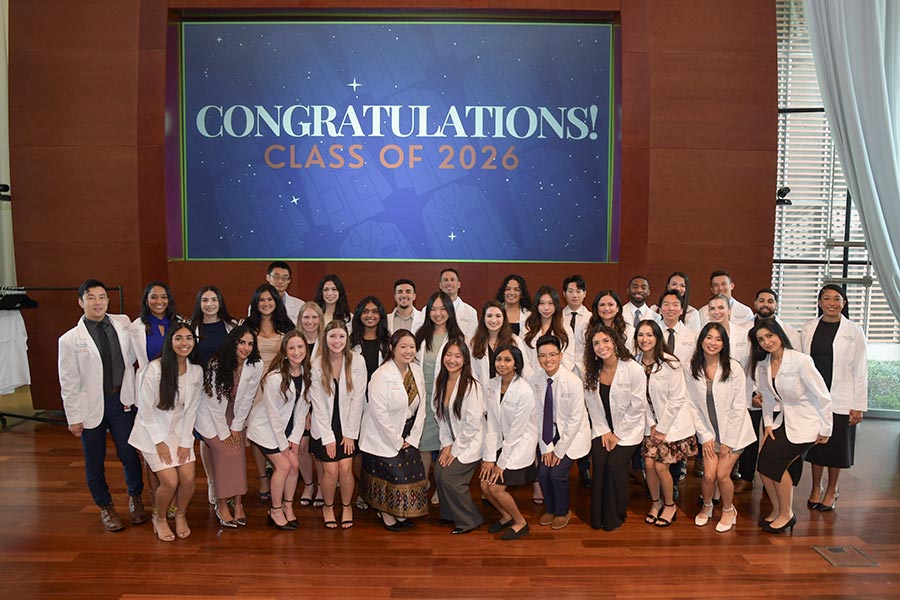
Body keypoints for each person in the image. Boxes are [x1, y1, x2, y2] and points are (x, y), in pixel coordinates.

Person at [58, 279, 146, 531]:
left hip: (121, 401)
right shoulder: (69, 340)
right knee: (94, 460)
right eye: (91, 298)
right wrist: (73, 417)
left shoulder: (123, 323)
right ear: (81, 302)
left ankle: (135, 498)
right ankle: (105, 507)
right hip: (90, 407)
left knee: (129, 454)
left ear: (108, 300)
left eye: (102, 297)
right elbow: (68, 382)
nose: (98, 302)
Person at [752, 318, 832, 533]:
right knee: (763, 467)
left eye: (770, 336)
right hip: (782, 421)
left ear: (779, 334)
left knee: (775, 465)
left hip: (807, 422)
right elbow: (768, 397)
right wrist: (768, 424)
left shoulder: (800, 361)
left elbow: (823, 396)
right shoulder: (764, 364)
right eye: (761, 339)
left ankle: (787, 514)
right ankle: (777, 509)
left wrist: (826, 429)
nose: (767, 342)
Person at [128, 323, 203, 541]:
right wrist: (159, 442)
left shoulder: (196, 371)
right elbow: (145, 410)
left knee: (188, 479)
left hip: (179, 431)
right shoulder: (155, 368)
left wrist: (186, 442)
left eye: (189, 338)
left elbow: (191, 411)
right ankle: (159, 518)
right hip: (152, 432)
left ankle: (180, 514)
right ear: (170, 341)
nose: (184, 343)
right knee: (170, 481)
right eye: (178, 338)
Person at [801, 285, 867, 513]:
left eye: (837, 299)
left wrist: (858, 405)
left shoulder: (854, 331)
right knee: (817, 447)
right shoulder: (809, 328)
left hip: (842, 398)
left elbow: (861, 369)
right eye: (826, 298)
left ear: (844, 303)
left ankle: (832, 490)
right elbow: (802, 364)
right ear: (819, 302)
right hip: (815, 398)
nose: (831, 302)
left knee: (837, 448)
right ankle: (815, 488)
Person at [686, 323, 757, 533]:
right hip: (709, 433)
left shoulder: (733, 368)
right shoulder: (693, 367)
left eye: (718, 339)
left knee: (722, 475)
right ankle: (707, 506)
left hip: (734, 435)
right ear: (701, 340)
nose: (713, 343)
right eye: (709, 338)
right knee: (708, 475)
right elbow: (691, 404)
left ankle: (728, 509)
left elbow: (738, 407)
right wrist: (705, 436)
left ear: (724, 344)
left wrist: (729, 441)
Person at [358, 329, 429, 531]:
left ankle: (397, 513)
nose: (408, 351)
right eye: (403, 346)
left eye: (412, 347)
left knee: (404, 477)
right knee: (387, 477)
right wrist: (397, 440)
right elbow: (378, 413)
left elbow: (422, 405)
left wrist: (413, 437)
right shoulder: (381, 375)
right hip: (382, 436)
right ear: (392, 348)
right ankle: (385, 512)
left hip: (407, 433)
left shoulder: (416, 370)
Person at [734, 287, 802, 494]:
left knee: (778, 441)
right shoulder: (742, 330)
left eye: (770, 301)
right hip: (751, 394)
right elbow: (741, 364)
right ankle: (746, 477)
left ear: (776, 304)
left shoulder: (789, 331)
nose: (765, 304)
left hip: (780, 397)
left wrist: (770, 392)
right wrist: (755, 393)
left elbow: (793, 366)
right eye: (761, 300)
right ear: (754, 305)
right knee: (750, 439)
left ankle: (776, 482)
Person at [194, 325, 263, 528]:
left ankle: (239, 502)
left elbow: (248, 397)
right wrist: (225, 434)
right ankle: (221, 503)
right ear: (233, 342)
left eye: (250, 343)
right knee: (226, 453)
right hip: (211, 416)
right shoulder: (217, 364)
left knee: (238, 451)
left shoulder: (255, 364)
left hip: (236, 414)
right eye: (241, 342)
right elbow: (213, 405)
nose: (246, 347)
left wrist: (236, 427)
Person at [246, 331, 312, 530]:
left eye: (300, 347)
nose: (296, 351)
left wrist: (295, 439)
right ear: (284, 352)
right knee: (284, 466)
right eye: (291, 348)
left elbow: (302, 410)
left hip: (286, 430)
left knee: (294, 465)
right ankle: (274, 510)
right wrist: (284, 445)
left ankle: (288, 507)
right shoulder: (274, 378)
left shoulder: (307, 374)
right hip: (265, 430)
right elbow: (273, 415)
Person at [634, 320, 697, 528]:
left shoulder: (671, 362)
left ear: (658, 337)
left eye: (650, 334)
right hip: (650, 424)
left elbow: (677, 398)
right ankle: (655, 502)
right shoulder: (635, 363)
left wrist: (661, 428)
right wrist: (652, 424)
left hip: (672, 425)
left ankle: (670, 505)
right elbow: (638, 398)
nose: (645, 339)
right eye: (641, 335)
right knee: (649, 465)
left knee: (661, 466)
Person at [583, 326, 645, 531]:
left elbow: (637, 407)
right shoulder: (591, 371)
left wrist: (617, 434)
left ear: (616, 342)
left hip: (629, 430)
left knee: (614, 465)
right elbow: (592, 404)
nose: (602, 347)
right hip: (602, 429)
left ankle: (615, 516)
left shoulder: (633, 368)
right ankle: (598, 517)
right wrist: (605, 431)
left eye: (606, 341)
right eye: (596, 343)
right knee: (600, 463)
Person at [309, 320, 367, 529]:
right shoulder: (316, 364)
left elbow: (358, 399)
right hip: (324, 424)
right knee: (331, 470)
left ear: (347, 338)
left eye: (341, 336)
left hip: (348, 423)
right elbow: (318, 405)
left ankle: (347, 506)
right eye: (332, 336)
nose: (337, 341)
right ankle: (328, 506)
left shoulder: (357, 361)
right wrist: (328, 437)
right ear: (325, 338)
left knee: (346, 467)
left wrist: (350, 434)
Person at [533, 335, 591, 530]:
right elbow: (539, 414)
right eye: (542, 356)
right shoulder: (536, 379)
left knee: (557, 473)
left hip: (572, 435)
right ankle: (550, 508)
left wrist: (558, 451)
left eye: (552, 354)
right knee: (542, 472)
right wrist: (547, 447)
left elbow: (575, 420)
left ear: (560, 355)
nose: (547, 359)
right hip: (549, 431)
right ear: (538, 358)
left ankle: (562, 511)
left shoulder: (573, 381)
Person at [481, 345, 538, 541]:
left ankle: (520, 522)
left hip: (519, 444)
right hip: (500, 441)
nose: (502, 364)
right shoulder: (491, 385)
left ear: (516, 364)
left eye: (507, 360)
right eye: (498, 359)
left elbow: (516, 433)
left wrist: (500, 464)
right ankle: (505, 516)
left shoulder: (524, 391)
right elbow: (491, 424)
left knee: (496, 488)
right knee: (483, 485)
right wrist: (488, 459)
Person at [245, 283, 295, 501]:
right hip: (253, 386)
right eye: (261, 300)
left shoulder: (286, 326)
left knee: (276, 426)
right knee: (256, 433)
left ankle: (278, 469)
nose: (266, 304)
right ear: (256, 303)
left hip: (277, 384)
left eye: (270, 300)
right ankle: (263, 478)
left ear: (277, 302)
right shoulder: (247, 326)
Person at [415, 290, 465, 503]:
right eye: (433, 309)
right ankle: (421, 484)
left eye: (442, 309)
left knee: (446, 441)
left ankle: (440, 487)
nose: (437, 314)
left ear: (450, 311)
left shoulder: (457, 337)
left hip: (445, 397)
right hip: (422, 398)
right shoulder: (420, 335)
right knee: (424, 444)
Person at [433, 340, 485, 534]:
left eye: (458, 356)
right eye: (449, 355)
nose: (452, 360)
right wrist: (446, 444)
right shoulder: (442, 382)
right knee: (438, 472)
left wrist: (454, 451)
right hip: (453, 440)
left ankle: (470, 519)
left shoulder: (472, 386)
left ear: (465, 360)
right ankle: (449, 515)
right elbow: (441, 417)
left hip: (471, 443)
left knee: (450, 478)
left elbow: (472, 426)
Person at [295, 300, 325, 507]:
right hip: (298, 403)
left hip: (323, 404)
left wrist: (314, 411)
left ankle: (323, 486)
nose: (310, 321)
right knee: (301, 446)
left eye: (314, 317)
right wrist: (305, 411)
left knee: (319, 449)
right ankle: (308, 484)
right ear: (300, 320)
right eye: (306, 317)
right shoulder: (294, 342)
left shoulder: (328, 343)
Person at [469, 300, 531, 386]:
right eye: (489, 316)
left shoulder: (515, 341)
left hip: (510, 393)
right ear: (483, 318)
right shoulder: (475, 343)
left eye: (498, 316)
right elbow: (473, 373)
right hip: (484, 394)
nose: (493, 320)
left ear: (504, 318)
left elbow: (525, 370)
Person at [131, 281, 182, 376]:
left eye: (164, 297)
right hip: (150, 379)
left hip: (177, 377)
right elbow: (129, 358)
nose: (159, 301)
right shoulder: (136, 326)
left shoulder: (180, 323)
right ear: (146, 300)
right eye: (154, 297)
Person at [523, 285, 575, 374]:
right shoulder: (527, 327)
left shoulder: (566, 329)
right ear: (536, 305)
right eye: (542, 303)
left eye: (550, 303)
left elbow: (569, 361)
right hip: (532, 380)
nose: (546, 308)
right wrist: (535, 379)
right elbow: (523, 358)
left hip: (558, 380)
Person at [189, 286, 237, 366]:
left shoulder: (231, 327)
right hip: (200, 376)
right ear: (199, 304)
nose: (209, 304)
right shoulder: (192, 328)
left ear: (220, 302)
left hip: (226, 376)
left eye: (214, 300)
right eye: (205, 300)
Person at [350, 296, 391, 382]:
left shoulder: (388, 343)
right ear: (359, 315)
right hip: (356, 392)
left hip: (381, 391)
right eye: (365, 311)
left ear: (380, 315)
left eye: (375, 312)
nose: (370, 315)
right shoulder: (350, 342)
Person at [439, 268, 478, 340]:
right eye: (445, 280)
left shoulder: (471, 312)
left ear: (459, 284)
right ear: (440, 285)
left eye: (452, 280)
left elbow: (472, 342)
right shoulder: (428, 310)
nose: (449, 283)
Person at [562, 274, 591, 363]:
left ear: (585, 294)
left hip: (585, 365)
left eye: (578, 291)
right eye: (570, 291)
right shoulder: (558, 317)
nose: (575, 295)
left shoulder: (591, 318)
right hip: (562, 364)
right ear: (564, 293)